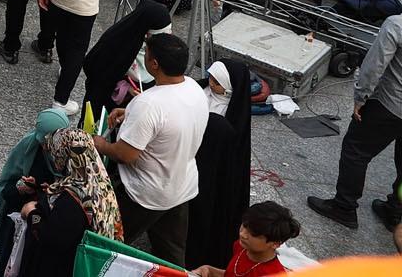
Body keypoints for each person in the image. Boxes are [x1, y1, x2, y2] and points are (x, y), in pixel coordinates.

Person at [94, 32, 209, 263]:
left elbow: (125, 154)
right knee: (172, 256)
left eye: (146, 54)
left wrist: (101, 144)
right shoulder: (194, 88)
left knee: (106, 243)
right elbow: (170, 121)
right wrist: (131, 114)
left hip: (146, 193)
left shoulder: (149, 104)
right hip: (180, 187)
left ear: (154, 64)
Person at [309, 11, 402, 232]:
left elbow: (375, 65)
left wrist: (361, 96)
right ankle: (395, 211)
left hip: (390, 104)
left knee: (356, 151)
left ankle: (344, 207)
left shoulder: (396, 25)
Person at [14, 128, 125, 277]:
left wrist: (31, 212)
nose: (53, 156)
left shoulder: (75, 198)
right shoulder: (99, 183)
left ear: (65, 154)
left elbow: (50, 239)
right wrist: (39, 190)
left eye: (55, 151)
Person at [188, 58, 255, 270]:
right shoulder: (202, 91)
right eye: (211, 77)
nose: (211, 83)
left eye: (217, 82)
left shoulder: (233, 114)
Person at [0, 108, 74, 277]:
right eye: (43, 143)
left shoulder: (72, 158)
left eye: (49, 143)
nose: (46, 147)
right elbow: (6, 188)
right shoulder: (29, 147)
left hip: (43, 231)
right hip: (16, 223)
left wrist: (48, 192)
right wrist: (23, 188)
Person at [191, 201, 300, 277]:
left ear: (275, 243)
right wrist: (209, 270)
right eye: (244, 226)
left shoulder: (272, 274)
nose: (243, 234)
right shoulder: (241, 246)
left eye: (253, 234)